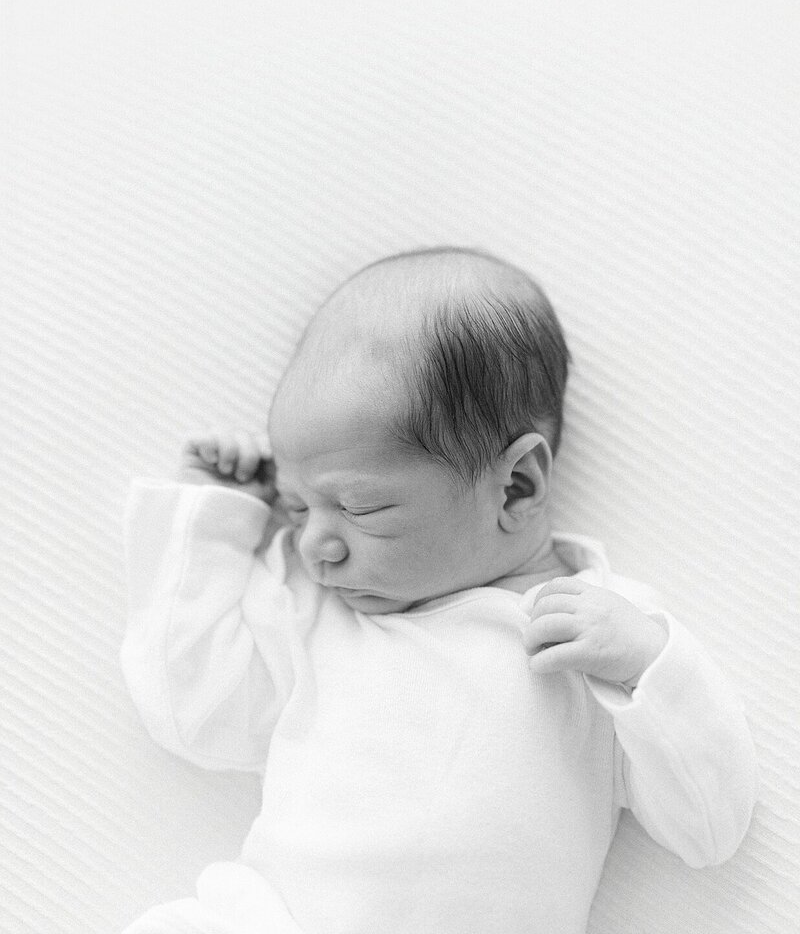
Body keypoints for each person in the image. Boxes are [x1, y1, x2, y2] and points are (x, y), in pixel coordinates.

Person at [119, 246, 758, 934]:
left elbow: (710, 829)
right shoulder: (321, 612)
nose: (313, 544)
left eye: (357, 508)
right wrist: (212, 520)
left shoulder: (597, 637)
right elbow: (191, 709)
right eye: (298, 506)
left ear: (516, 486)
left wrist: (652, 668)